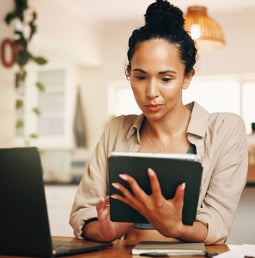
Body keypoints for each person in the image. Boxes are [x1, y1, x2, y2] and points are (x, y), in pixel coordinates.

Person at [69, 0, 248, 245]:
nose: (151, 92)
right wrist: (106, 231)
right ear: (129, 74)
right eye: (140, 77)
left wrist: (175, 227)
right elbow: (83, 213)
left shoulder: (225, 130)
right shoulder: (116, 129)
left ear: (187, 77)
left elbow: (218, 224)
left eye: (165, 78)